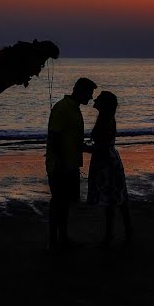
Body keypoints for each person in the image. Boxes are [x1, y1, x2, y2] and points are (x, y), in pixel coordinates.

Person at [46, 77, 96, 250]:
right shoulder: (63, 108)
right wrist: (60, 163)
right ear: (80, 91)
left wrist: (88, 149)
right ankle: (53, 241)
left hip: (71, 164)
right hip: (60, 166)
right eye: (89, 93)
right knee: (58, 202)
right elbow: (54, 137)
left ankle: (63, 237)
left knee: (65, 203)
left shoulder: (74, 108)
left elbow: (71, 139)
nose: (90, 98)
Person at [86, 90, 133, 245]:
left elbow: (102, 146)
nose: (95, 99)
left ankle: (113, 233)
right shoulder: (105, 118)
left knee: (113, 198)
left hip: (107, 161)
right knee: (116, 197)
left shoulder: (106, 120)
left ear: (104, 104)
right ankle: (122, 231)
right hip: (109, 160)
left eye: (98, 98)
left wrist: (80, 148)